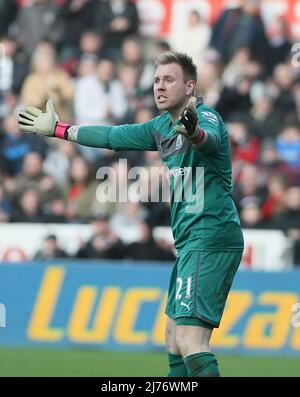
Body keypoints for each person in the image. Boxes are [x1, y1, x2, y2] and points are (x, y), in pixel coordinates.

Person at [18, 51, 244, 377]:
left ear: (190, 86)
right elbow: (112, 137)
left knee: (190, 338)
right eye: (156, 80)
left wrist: (193, 132)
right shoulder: (160, 127)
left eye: (169, 80)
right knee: (173, 337)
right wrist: (59, 129)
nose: (160, 87)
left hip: (210, 237)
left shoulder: (206, 117)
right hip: (193, 241)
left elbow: (207, 142)